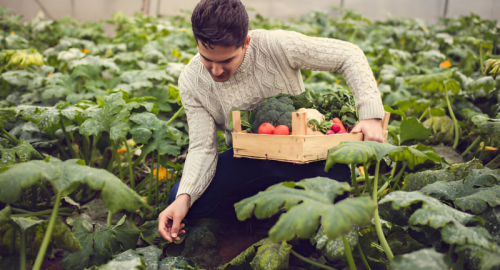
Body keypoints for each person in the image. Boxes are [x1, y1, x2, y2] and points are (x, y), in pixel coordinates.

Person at [158, 0, 385, 243]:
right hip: (247, 161)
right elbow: (203, 148)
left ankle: (279, 212)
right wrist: (184, 197)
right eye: (207, 59)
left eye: (226, 61)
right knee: (180, 200)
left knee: (336, 183)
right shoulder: (191, 81)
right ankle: (264, 212)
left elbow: (349, 55)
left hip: (303, 157)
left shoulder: (277, 45)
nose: (215, 71)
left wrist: (371, 116)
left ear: (245, 42)